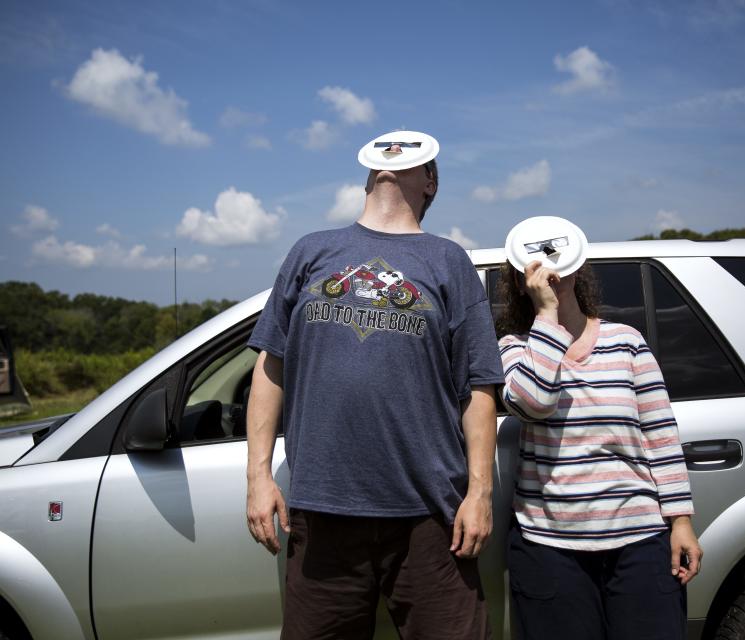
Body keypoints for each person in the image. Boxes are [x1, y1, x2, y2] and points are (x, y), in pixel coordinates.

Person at [245, 130, 504, 639]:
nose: (392, 161)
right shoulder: (311, 251)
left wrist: (479, 493)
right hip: (323, 510)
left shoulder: (448, 260)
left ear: (430, 181)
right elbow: (270, 366)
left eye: (410, 160)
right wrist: (257, 475)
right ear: (366, 173)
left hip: (431, 517)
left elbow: (479, 386)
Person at [496, 247, 703, 639]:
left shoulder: (626, 341)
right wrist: (547, 315)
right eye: (536, 265)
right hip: (548, 545)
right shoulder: (515, 348)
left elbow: (660, 433)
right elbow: (534, 402)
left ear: (577, 267)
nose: (551, 269)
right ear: (522, 284)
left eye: (557, 258)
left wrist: (681, 522)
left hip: (639, 542)